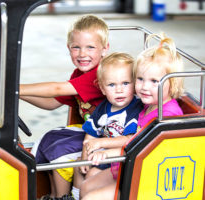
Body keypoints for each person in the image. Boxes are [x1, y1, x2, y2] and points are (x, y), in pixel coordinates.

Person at [79, 33, 184, 200]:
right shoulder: (148, 105)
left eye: (154, 81)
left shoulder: (167, 114)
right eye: (140, 79)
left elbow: (138, 144)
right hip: (130, 167)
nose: (144, 87)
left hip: (147, 176)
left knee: (90, 197)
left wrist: (106, 152)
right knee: (86, 186)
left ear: (172, 84)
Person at [19, 15, 109, 200]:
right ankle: (53, 195)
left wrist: (14, 87)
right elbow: (52, 102)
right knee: (47, 139)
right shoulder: (79, 73)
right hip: (90, 130)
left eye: (90, 47)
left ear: (105, 49)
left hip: (107, 136)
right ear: (69, 48)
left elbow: (57, 88)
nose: (82, 54)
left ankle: (61, 197)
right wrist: (16, 95)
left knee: (59, 149)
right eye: (76, 47)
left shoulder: (99, 74)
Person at [70, 52, 143, 200]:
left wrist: (100, 142)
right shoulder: (103, 108)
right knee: (80, 165)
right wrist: (86, 155)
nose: (119, 90)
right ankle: (74, 196)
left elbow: (128, 139)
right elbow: (90, 133)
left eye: (125, 83)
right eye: (111, 85)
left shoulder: (134, 108)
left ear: (135, 84)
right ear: (102, 88)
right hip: (103, 155)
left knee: (91, 174)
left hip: (121, 158)